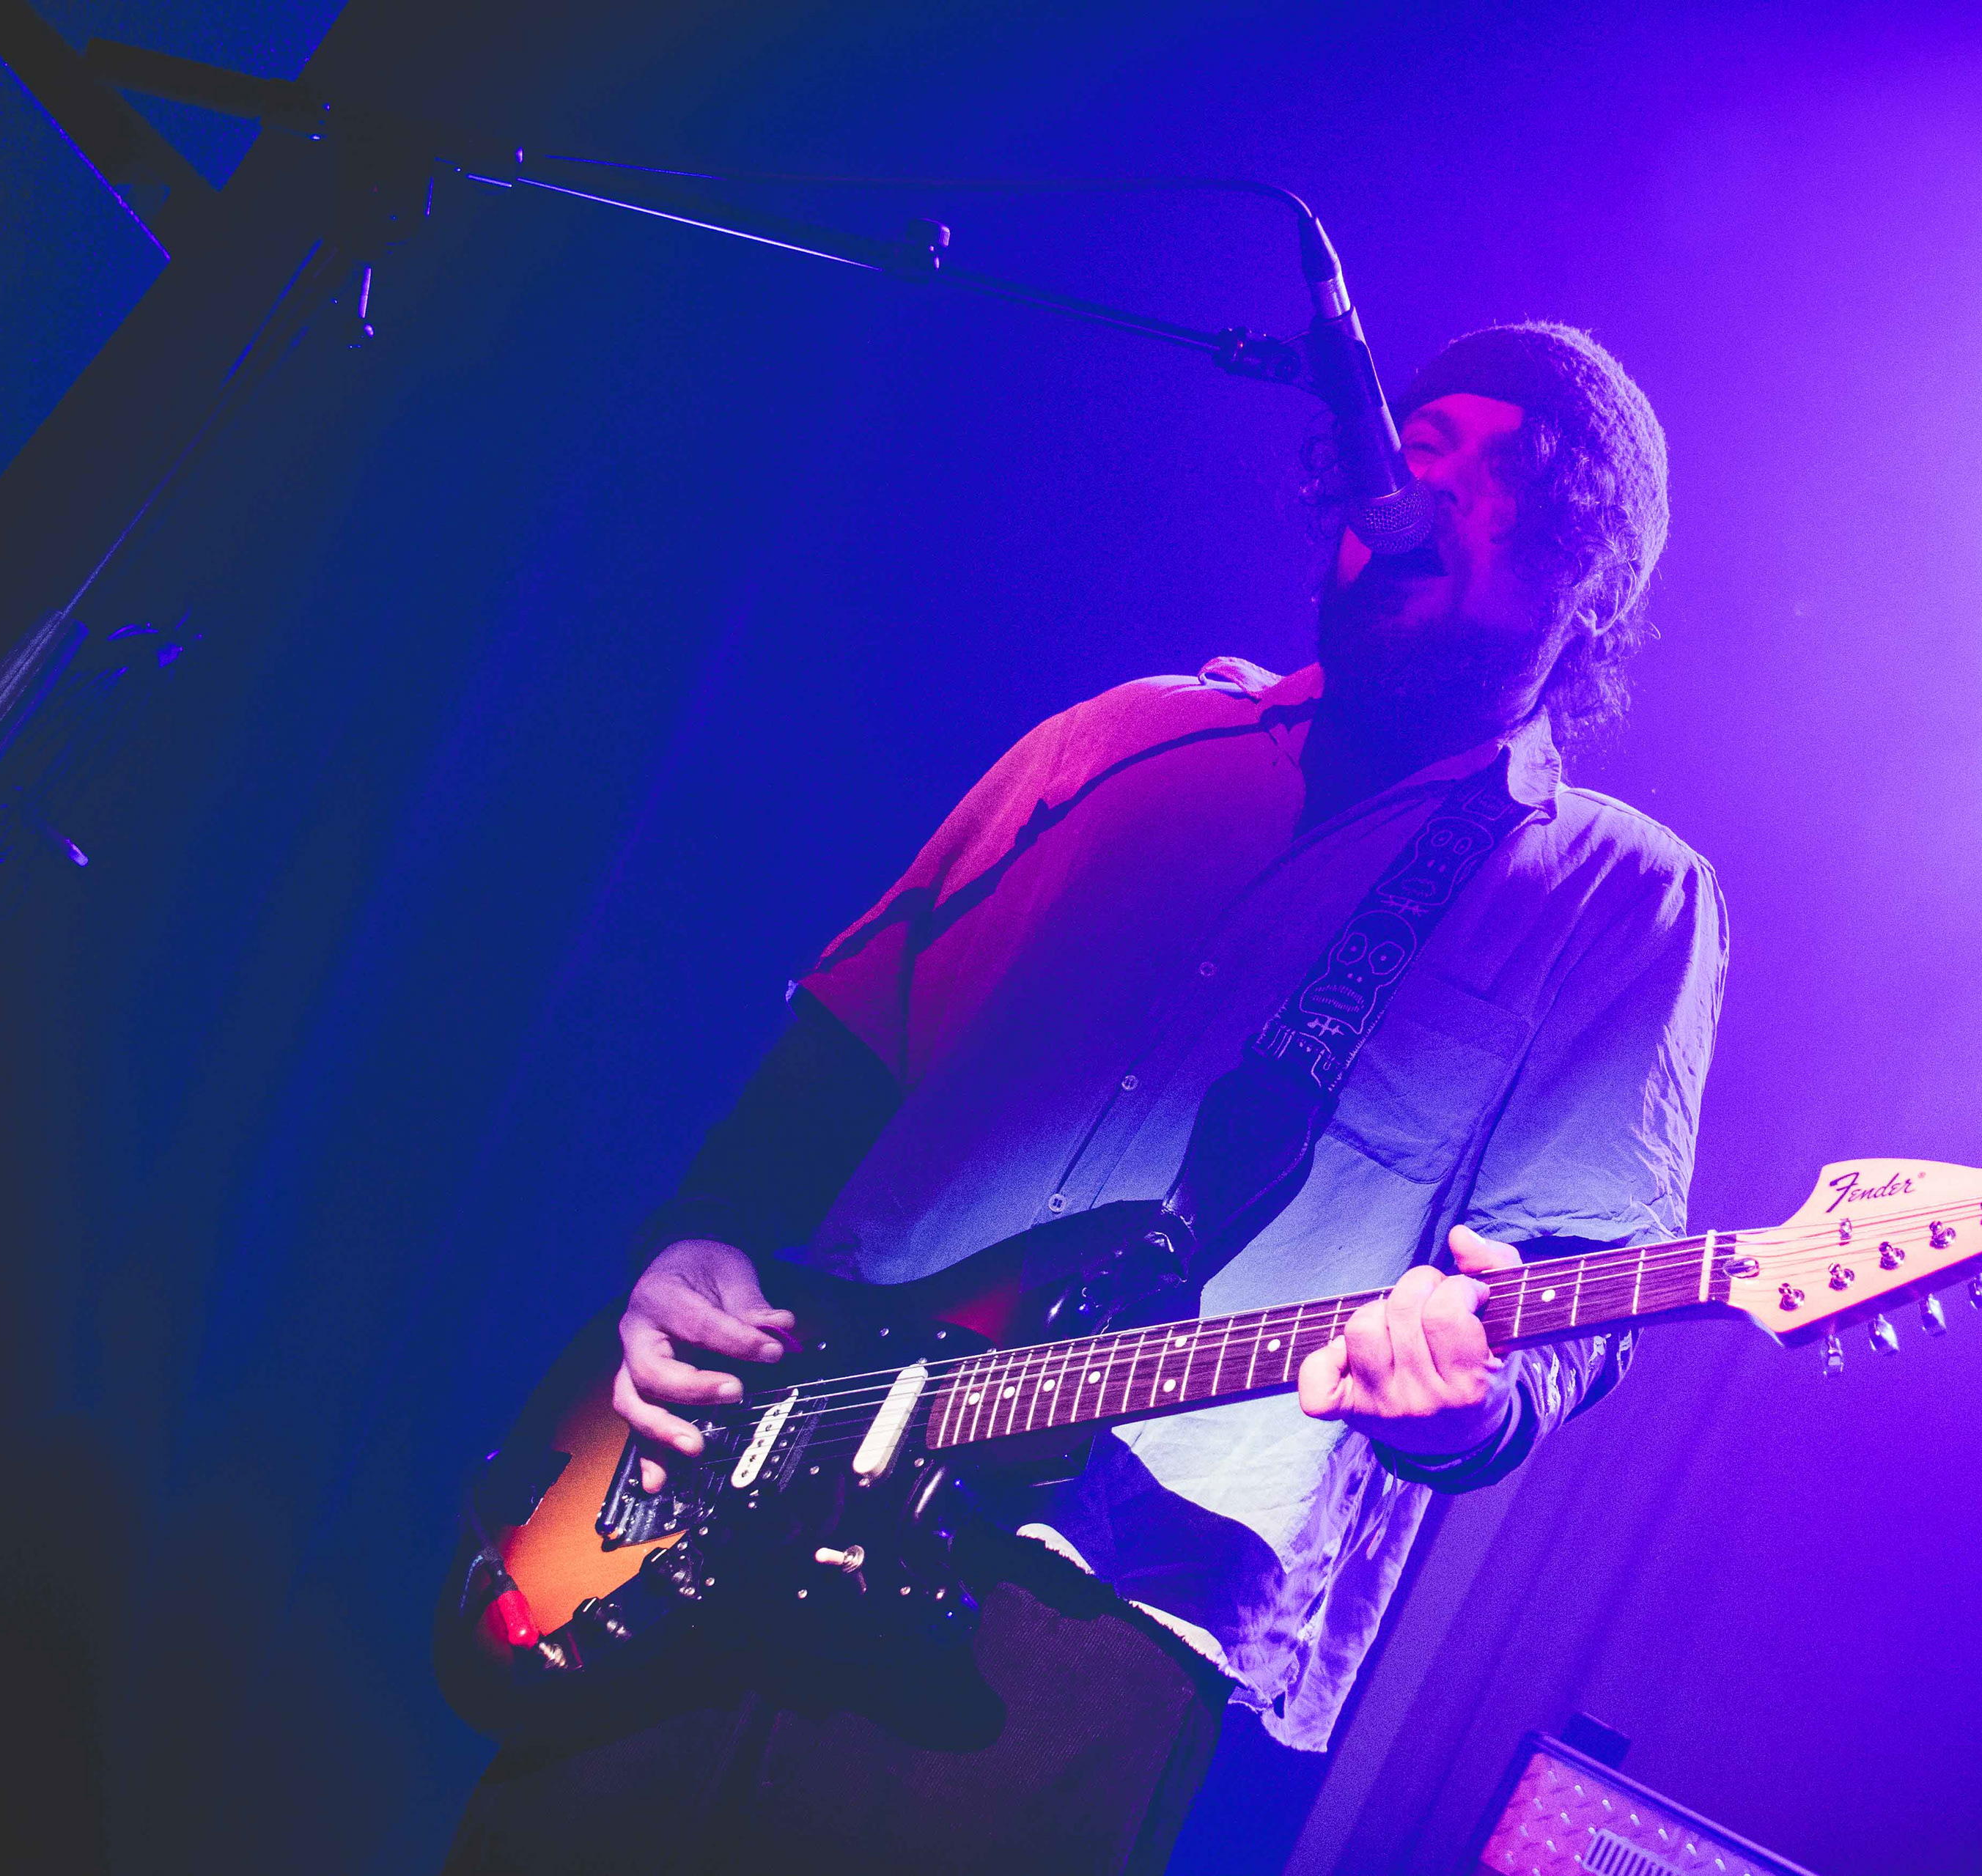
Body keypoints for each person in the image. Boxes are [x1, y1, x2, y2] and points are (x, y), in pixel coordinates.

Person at [443, 323, 1725, 1875]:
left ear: (1589, 575)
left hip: (1090, 1607)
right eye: (1414, 448)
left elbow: (1574, 1287)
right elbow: (849, 1048)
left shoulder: (1617, 896)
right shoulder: (1125, 742)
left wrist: (1467, 1397)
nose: (1412, 494)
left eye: (1490, 479)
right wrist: (697, 1233)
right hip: (747, 1474)